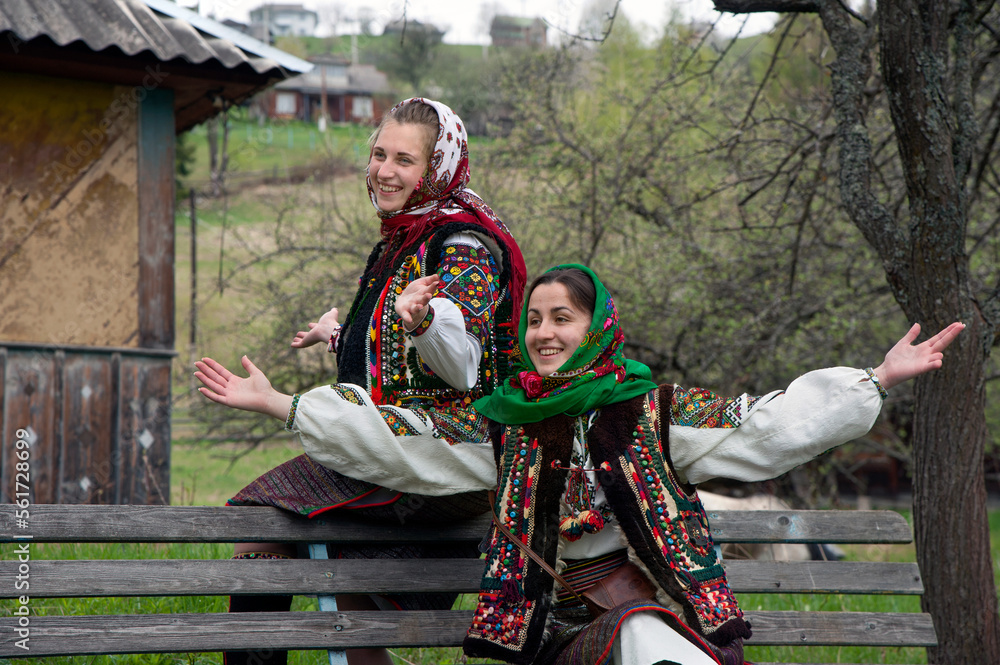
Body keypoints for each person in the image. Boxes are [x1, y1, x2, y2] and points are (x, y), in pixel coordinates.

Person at [460, 264, 963, 665]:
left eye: (562, 318)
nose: (544, 333)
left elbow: (762, 425)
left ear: (597, 329)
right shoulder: (503, 423)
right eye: (535, 319)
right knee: (636, 630)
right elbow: (409, 445)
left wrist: (875, 380)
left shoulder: (653, 413)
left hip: (658, 608)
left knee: (642, 629)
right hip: (556, 632)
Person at [195, 97, 525, 665]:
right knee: (351, 591)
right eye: (378, 154)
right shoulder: (403, 240)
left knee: (265, 524)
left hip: (441, 458)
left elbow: (464, 364)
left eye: (405, 160)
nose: (385, 171)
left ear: (438, 168)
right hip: (395, 450)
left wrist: (423, 320)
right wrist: (342, 335)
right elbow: (394, 363)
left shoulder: (463, 246)